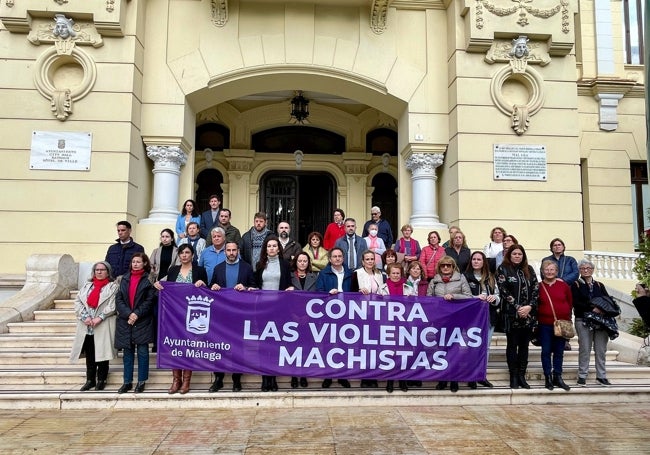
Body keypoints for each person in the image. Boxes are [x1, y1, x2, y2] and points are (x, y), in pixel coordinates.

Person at [154, 244, 208, 394]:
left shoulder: (199, 270)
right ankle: (176, 380)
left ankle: (186, 381)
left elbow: (207, 292)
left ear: (192, 255)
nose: (184, 255)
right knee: (175, 347)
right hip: (173, 315)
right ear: (178, 255)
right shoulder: (172, 271)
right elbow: (164, 287)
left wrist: (202, 284)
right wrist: (158, 285)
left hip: (192, 315)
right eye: (181, 253)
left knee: (188, 346)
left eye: (187, 252)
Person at [209, 241, 256, 392]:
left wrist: (247, 288)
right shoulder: (218, 268)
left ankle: (237, 378)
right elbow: (211, 288)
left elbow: (255, 287)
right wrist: (213, 287)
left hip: (240, 314)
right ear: (224, 252)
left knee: (239, 347)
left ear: (238, 251)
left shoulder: (247, 268)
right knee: (219, 346)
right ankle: (219, 378)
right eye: (228, 250)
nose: (231, 253)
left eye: (233, 250)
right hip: (222, 315)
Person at [70, 261, 118, 391]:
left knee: (102, 353)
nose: (99, 272)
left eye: (102, 270)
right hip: (87, 325)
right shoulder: (87, 286)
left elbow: (112, 305)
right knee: (90, 354)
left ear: (108, 272)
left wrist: (100, 317)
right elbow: (78, 302)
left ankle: (101, 379)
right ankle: (90, 380)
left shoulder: (112, 287)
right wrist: (85, 316)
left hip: (102, 324)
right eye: (97, 270)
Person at [496, 244, 539, 390]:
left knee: (524, 346)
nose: (517, 256)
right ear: (510, 255)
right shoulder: (503, 269)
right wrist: (518, 307)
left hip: (528, 314)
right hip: (511, 314)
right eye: (514, 254)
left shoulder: (529, 270)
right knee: (512, 345)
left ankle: (522, 375)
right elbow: (503, 290)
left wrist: (530, 307)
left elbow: (535, 289)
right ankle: (513, 375)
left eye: (520, 254)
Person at [254, 236, 293, 391]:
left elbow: (288, 283)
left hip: (279, 309)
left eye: (274, 246)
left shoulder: (285, 265)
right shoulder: (260, 265)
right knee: (263, 344)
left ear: (278, 248)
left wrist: (290, 288)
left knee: (276, 343)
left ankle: (273, 377)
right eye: (269, 246)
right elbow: (255, 284)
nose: (271, 248)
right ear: (266, 249)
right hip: (262, 309)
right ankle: (265, 378)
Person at [427, 256, 471, 392]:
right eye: (443, 265)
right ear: (439, 267)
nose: (445, 267)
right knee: (441, 350)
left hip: (456, 320)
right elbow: (429, 298)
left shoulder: (461, 279)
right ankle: (443, 378)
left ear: (453, 267)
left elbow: (469, 296)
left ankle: (454, 379)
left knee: (455, 350)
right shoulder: (434, 281)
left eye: (448, 265)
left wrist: (454, 296)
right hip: (440, 320)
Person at [114, 253, 156, 393]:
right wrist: (129, 314)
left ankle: (141, 381)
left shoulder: (149, 280)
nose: (135, 264)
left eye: (138, 262)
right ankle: (127, 382)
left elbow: (149, 301)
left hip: (142, 320)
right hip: (126, 320)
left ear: (144, 263)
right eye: (133, 262)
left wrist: (136, 313)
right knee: (127, 353)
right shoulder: (123, 279)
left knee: (143, 352)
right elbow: (118, 299)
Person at [572, 259, 614, 386]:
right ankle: (582, 375)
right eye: (583, 268)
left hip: (600, 321)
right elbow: (576, 303)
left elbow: (607, 300)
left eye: (588, 268)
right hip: (583, 319)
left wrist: (600, 308)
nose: (586, 270)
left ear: (592, 270)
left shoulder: (599, 285)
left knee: (601, 349)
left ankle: (601, 375)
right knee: (585, 348)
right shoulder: (575, 285)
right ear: (579, 270)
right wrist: (592, 308)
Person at [315, 247, 352, 389]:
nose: (337, 258)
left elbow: (354, 291)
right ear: (330, 259)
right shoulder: (324, 274)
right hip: (329, 314)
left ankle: (342, 375)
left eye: (340, 256)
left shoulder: (350, 273)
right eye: (334, 256)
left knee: (344, 345)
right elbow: (318, 292)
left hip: (346, 313)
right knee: (327, 345)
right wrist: (327, 293)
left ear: (343, 258)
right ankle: (328, 375)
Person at [463, 251, 500, 388]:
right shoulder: (465, 277)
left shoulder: (490, 277)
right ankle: (470, 375)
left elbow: (498, 295)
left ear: (484, 262)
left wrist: (494, 298)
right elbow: (461, 296)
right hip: (470, 319)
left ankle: (481, 375)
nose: (476, 261)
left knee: (485, 347)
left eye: (479, 259)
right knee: (470, 347)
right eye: (474, 259)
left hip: (488, 317)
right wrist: (475, 298)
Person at [538, 259, 572, 391]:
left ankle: (558, 376)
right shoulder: (539, 286)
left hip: (562, 324)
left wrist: (568, 319)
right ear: (542, 271)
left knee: (559, 352)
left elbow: (570, 303)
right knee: (546, 351)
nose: (549, 272)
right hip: (545, 324)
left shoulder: (564, 286)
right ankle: (548, 376)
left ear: (556, 271)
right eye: (546, 270)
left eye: (552, 269)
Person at [288, 251, 319, 389]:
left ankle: (303, 374)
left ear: (308, 263)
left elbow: (318, 299)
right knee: (293, 348)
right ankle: (294, 375)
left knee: (306, 347)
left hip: (308, 317)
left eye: (305, 261)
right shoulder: (289, 277)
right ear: (296, 262)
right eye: (300, 261)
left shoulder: (314, 277)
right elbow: (284, 299)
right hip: (292, 317)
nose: (302, 263)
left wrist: (309, 316)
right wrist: (292, 315)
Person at [384, 262, 408, 393]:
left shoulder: (408, 287)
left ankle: (403, 379)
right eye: (393, 273)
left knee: (403, 353)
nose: (395, 275)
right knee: (390, 353)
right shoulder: (382, 288)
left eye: (398, 273)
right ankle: (390, 380)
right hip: (388, 324)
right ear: (389, 274)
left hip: (404, 325)